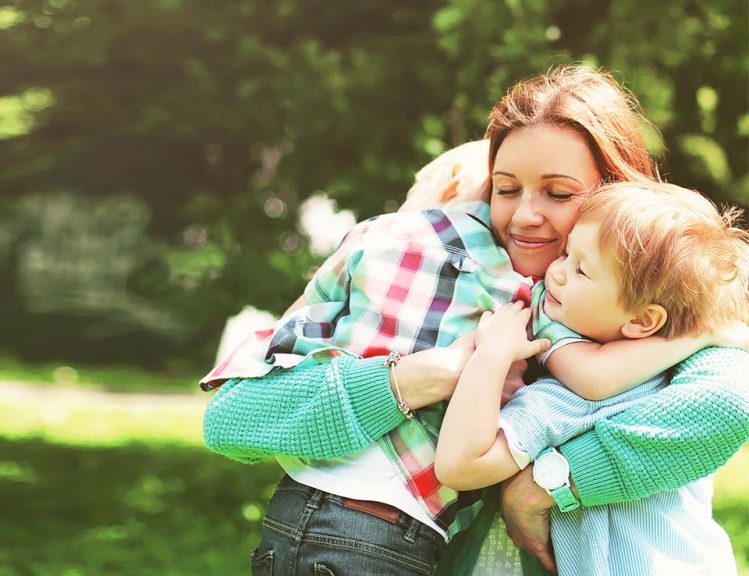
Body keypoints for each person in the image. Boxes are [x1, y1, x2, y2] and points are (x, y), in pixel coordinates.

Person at [202, 65, 749, 575]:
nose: (523, 215)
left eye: (559, 194)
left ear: (618, 197)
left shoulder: (666, 310)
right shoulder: (453, 279)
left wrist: (545, 484)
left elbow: (726, 405)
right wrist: (424, 374)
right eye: (504, 190)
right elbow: (231, 417)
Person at [435, 182, 749, 575]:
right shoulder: (682, 379)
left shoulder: (570, 401)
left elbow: (460, 465)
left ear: (642, 321)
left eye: (581, 269)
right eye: (567, 253)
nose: (558, 272)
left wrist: (492, 354)